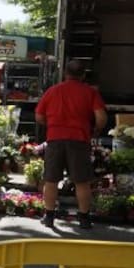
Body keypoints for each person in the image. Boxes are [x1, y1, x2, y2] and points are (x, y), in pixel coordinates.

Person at [35, 59, 108, 230]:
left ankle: (49, 216)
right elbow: (101, 118)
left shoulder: (52, 91)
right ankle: (83, 218)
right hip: (79, 139)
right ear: (83, 75)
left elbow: (38, 116)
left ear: (65, 74)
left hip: (55, 138)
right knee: (82, 181)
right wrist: (95, 130)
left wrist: (52, 125)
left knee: (51, 180)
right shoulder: (90, 92)